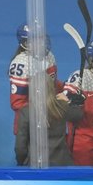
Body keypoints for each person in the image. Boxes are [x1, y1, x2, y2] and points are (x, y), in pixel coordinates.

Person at [8, 23, 59, 154]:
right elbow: (17, 103)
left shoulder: (49, 56)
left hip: (50, 119)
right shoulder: (21, 64)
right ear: (24, 43)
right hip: (30, 125)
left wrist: (68, 90)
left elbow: (52, 85)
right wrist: (39, 113)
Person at [15, 77, 84, 167]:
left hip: (35, 165)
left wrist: (22, 163)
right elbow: (79, 115)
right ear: (52, 88)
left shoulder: (26, 111)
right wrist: (68, 101)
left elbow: (20, 147)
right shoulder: (61, 107)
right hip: (61, 165)